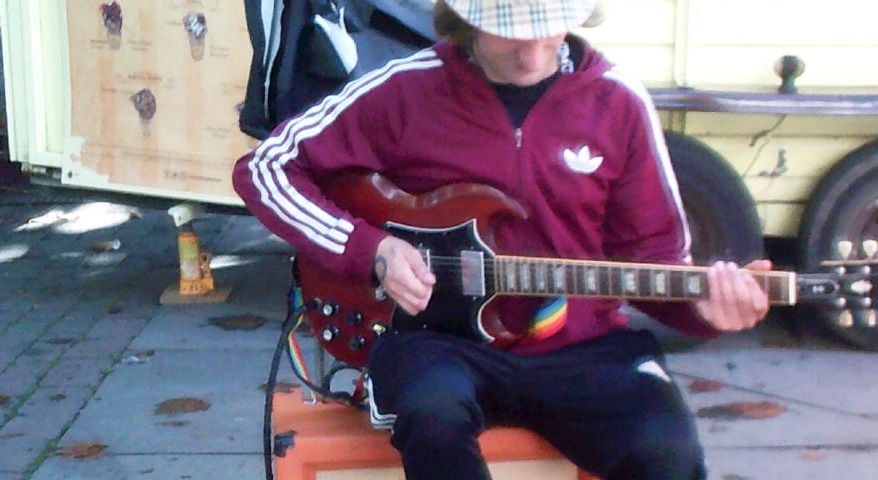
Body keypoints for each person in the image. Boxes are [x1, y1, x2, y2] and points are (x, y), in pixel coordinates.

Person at [233, 1, 772, 478]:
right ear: (465, 18)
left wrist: (706, 310)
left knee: (667, 450)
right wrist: (371, 249)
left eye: (551, 28)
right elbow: (266, 169)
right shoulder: (402, 88)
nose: (532, 54)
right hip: (439, 341)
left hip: (583, 348)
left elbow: (654, 258)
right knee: (431, 413)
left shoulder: (618, 102)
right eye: (509, 32)